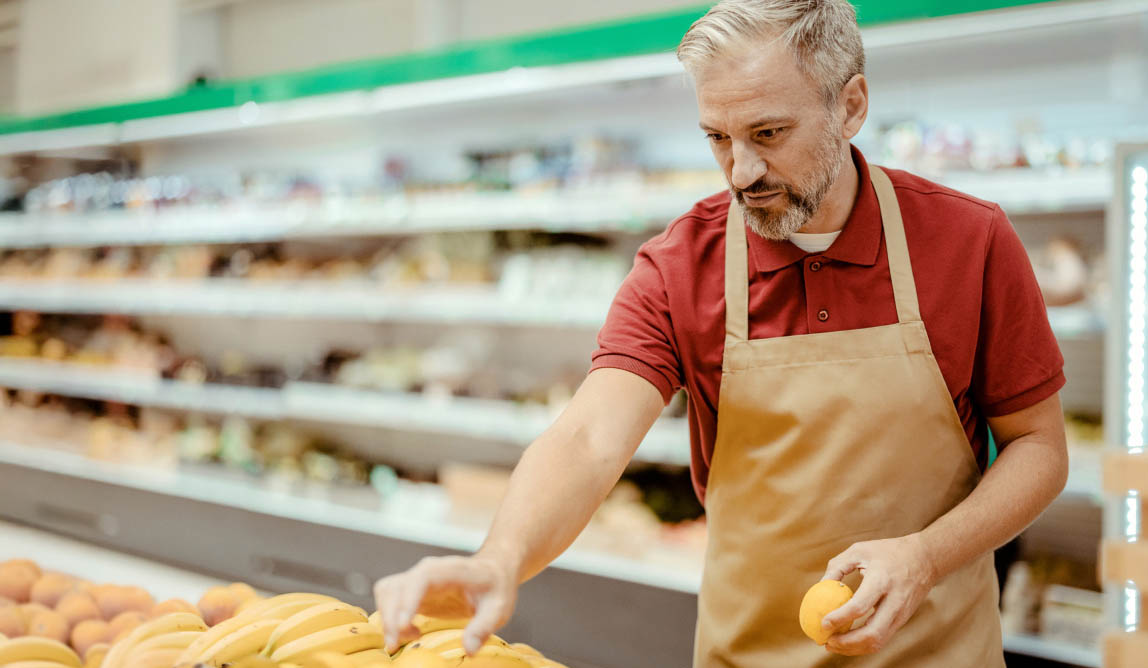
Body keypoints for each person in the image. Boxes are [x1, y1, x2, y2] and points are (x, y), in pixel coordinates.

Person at [375, 1, 1068, 665]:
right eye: (718, 139)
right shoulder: (681, 265)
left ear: (850, 105)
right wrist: (500, 558)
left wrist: (927, 556)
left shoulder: (968, 240)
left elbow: (1038, 447)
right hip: (748, 656)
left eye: (769, 134)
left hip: (935, 655)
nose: (743, 172)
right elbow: (588, 437)